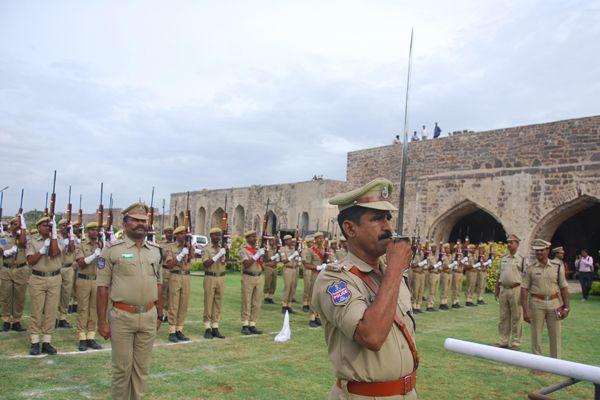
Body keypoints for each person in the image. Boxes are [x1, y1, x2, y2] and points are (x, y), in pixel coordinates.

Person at [312, 177, 418, 399]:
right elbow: (371, 336)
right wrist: (396, 269)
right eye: (378, 219)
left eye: (388, 218)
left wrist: (393, 271)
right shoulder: (335, 279)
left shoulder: (388, 274)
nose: (388, 227)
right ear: (350, 228)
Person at [97, 202, 163, 399]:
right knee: (122, 369)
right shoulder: (111, 250)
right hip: (122, 316)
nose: (140, 224)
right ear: (124, 224)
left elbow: (159, 284)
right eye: (135, 220)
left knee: (142, 369)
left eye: (143, 221)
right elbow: (102, 288)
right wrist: (102, 322)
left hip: (149, 316)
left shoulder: (155, 250)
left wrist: (160, 315)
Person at [521, 239, 569, 362]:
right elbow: (524, 289)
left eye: (541, 250)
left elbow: (563, 287)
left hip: (554, 303)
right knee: (536, 334)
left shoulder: (557, 267)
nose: (539, 253)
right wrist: (525, 311)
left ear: (548, 250)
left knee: (555, 333)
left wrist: (566, 307)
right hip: (537, 303)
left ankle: (556, 362)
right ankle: (538, 363)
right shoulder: (530, 268)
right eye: (537, 251)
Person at [26, 215, 62, 355]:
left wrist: (52, 236)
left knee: (51, 311)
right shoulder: (33, 241)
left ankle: (47, 341)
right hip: (38, 278)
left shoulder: (57, 239)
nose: (47, 227)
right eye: (44, 225)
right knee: (36, 310)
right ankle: (35, 341)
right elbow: (30, 261)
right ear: (38, 227)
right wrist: (41, 250)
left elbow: (55, 252)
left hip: (54, 278)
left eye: (49, 225)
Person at [73, 222, 103, 351]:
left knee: (94, 309)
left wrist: (102, 252)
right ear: (88, 231)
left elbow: (103, 265)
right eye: (93, 230)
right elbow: (81, 263)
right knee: (83, 309)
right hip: (84, 280)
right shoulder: (81, 245)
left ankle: (91, 336)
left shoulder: (101, 246)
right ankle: (81, 337)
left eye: (97, 230)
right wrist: (94, 255)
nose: (95, 232)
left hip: (96, 280)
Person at [494, 234, 523, 350]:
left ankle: (516, 341)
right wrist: (496, 290)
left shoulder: (521, 259)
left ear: (517, 244)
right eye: (508, 242)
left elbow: (525, 277)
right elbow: (498, 275)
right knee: (503, 316)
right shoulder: (503, 258)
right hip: (503, 289)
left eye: (511, 242)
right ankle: (503, 340)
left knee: (516, 316)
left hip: (516, 289)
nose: (509, 244)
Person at [0, 216, 29, 332]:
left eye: (19, 223)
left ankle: (17, 320)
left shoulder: (24, 237)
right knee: (6, 296)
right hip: (7, 269)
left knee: (19, 296)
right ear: (10, 226)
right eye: (14, 224)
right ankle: (6, 320)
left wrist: (23, 229)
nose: (16, 226)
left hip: (20, 269)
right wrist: (7, 252)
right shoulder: (4, 237)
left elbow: (23, 243)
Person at [164, 226, 192, 343]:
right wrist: (180, 255)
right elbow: (169, 264)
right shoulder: (170, 247)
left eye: (185, 233)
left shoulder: (189, 246)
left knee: (183, 304)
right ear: (176, 235)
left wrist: (189, 249)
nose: (183, 235)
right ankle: (172, 330)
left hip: (186, 276)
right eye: (181, 234)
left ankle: (179, 329)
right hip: (175, 275)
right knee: (174, 303)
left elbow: (190, 259)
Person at [201, 227, 227, 339]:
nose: (218, 237)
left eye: (219, 235)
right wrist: (217, 255)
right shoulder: (206, 249)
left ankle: (215, 326)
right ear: (211, 236)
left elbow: (225, 262)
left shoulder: (222, 248)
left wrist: (226, 252)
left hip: (220, 277)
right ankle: (207, 327)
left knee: (218, 302)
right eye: (215, 235)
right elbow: (206, 264)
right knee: (209, 302)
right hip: (210, 277)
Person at [238, 230, 265, 335]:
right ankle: (245, 324)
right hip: (248, 276)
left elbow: (266, 260)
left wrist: (264, 252)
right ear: (247, 238)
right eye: (252, 237)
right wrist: (256, 255)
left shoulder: (258, 249)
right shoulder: (243, 250)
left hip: (258, 277)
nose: (255, 238)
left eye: (255, 236)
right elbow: (246, 264)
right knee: (246, 301)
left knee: (256, 302)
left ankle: (252, 324)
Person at [303, 231, 328, 327]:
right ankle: (312, 318)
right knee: (313, 296)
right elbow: (306, 264)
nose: (321, 240)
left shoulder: (324, 249)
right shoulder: (310, 250)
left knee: (320, 297)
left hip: (322, 275)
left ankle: (318, 316)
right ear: (315, 239)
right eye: (319, 238)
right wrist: (317, 267)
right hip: (315, 275)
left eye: (322, 238)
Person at [56, 218, 76, 329]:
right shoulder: (55, 237)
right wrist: (64, 242)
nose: (66, 228)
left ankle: (63, 317)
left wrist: (71, 237)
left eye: (67, 226)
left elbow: (72, 250)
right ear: (59, 227)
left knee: (66, 294)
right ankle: (52, 317)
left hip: (68, 268)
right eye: (63, 226)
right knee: (54, 294)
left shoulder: (73, 238)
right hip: (57, 267)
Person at [279, 234, 301, 314]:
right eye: (288, 240)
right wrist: (292, 256)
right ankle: (284, 305)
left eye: (291, 239)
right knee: (287, 287)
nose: (290, 241)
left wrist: (298, 258)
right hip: (287, 269)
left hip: (295, 269)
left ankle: (289, 305)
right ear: (285, 241)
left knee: (293, 287)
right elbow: (284, 261)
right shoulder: (282, 249)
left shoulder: (293, 249)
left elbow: (297, 259)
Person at [159, 227, 174, 322]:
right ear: (165, 233)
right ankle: (163, 313)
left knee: (172, 293)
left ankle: (169, 314)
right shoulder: (161, 245)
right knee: (164, 293)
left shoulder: (175, 244)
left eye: (171, 233)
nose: (170, 234)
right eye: (168, 233)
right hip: (165, 270)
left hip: (174, 271)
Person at [263, 237, 279, 304]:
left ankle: (270, 297)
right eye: (271, 241)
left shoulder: (276, 249)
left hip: (275, 267)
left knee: (273, 283)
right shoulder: (266, 249)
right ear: (269, 241)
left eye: (274, 240)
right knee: (268, 282)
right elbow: (266, 259)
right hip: (268, 267)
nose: (273, 242)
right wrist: (273, 257)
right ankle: (266, 297)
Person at [301, 235, 315, 312]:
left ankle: (310, 303)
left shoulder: (314, 251)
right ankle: (305, 303)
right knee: (307, 287)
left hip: (314, 270)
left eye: (313, 242)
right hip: (308, 270)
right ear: (307, 243)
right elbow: (304, 262)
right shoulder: (305, 251)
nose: (312, 244)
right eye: (310, 242)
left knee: (312, 288)